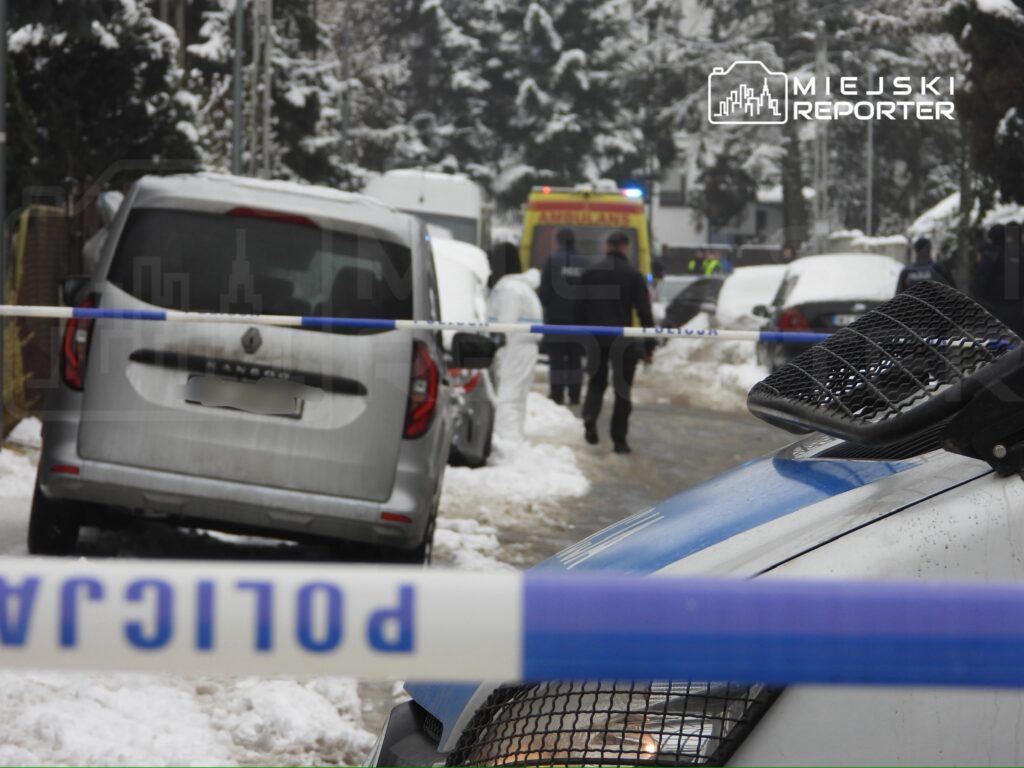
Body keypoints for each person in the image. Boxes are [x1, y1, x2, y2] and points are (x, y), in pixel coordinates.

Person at [579, 231, 655, 455]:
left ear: (607, 246)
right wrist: (649, 346)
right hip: (623, 339)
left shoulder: (590, 273)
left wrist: (582, 336)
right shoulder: (633, 275)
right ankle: (619, 440)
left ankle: (590, 416)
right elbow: (644, 312)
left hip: (596, 337)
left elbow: (578, 308)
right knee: (622, 390)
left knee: (596, 382)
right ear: (625, 247)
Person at [488, 266, 543, 444]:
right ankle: (515, 435)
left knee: (508, 392)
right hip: (525, 345)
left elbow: (506, 322)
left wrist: (498, 343)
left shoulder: (509, 289)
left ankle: (506, 438)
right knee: (518, 394)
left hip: (514, 345)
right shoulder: (524, 290)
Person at [538, 228, 586, 405]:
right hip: (579, 322)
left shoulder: (552, 261)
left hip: (556, 320)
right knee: (575, 359)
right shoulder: (584, 263)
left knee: (556, 359)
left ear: (558, 241)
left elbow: (544, 293)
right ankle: (575, 395)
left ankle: (557, 394)